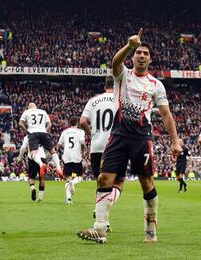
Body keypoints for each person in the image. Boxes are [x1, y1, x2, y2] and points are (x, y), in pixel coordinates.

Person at [77, 28, 182, 244]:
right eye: (138, 53)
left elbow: (165, 114)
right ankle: (99, 228)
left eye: (145, 53)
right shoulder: (123, 75)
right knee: (104, 178)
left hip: (141, 138)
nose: (141, 55)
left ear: (150, 59)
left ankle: (151, 231)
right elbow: (115, 62)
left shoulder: (156, 85)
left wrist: (174, 141)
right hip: (118, 135)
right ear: (133, 57)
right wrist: (129, 45)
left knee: (146, 182)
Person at [80, 76, 120, 231]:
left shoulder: (93, 100)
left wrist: (92, 134)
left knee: (100, 182)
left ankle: (102, 217)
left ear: (105, 86)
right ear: (116, 86)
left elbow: (83, 121)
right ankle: (103, 216)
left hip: (97, 146)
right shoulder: (119, 100)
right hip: (115, 145)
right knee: (115, 184)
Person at [19, 103, 63, 178]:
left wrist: (26, 131)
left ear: (29, 107)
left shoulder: (27, 112)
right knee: (53, 151)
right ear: (36, 106)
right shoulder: (43, 111)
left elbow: (20, 123)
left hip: (33, 133)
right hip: (43, 133)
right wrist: (45, 131)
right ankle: (59, 168)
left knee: (33, 153)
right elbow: (49, 124)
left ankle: (41, 164)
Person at [57, 116, 86, 205]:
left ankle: (68, 199)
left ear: (70, 123)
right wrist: (84, 150)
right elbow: (82, 141)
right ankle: (72, 183)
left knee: (68, 178)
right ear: (77, 123)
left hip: (67, 156)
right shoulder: (80, 131)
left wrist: (64, 148)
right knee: (81, 176)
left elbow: (59, 145)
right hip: (76, 156)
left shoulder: (65, 132)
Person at [16, 135, 48, 202]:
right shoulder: (41, 135)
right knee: (41, 178)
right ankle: (40, 198)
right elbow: (47, 147)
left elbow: (23, 148)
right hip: (42, 157)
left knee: (31, 177)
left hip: (32, 157)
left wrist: (20, 158)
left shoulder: (27, 137)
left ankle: (32, 188)